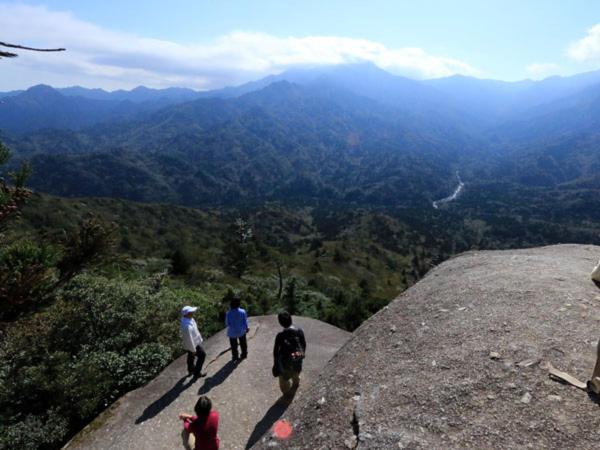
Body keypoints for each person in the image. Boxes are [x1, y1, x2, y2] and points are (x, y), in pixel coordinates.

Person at [272, 311, 306, 398]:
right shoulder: (300, 331)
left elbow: (276, 352)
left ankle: (287, 395)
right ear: (291, 319)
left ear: (280, 323)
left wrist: (275, 365)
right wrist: (300, 356)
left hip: (285, 365)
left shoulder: (280, 336)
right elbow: (304, 345)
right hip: (297, 361)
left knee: (283, 381)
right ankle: (296, 384)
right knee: (296, 374)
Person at [180, 305, 207, 378]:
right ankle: (197, 373)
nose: (193, 312)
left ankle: (191, 370)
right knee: (202, 355)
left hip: (193, 343)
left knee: (191, 357)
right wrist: (193, 350)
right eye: (191, 312)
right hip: (193, 344)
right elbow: (189, 338)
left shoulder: (189, 319)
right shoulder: (187, 326)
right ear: (187, 314)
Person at [225, 297, 249, 361]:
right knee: (243, 343)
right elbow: (245, 321)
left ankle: (235, 356)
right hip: (241, 331)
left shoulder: (228, 313)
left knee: (233, 345)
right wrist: (247, 328)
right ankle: (244, 354)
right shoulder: (243, 311)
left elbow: (227, 323)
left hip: (232, 332)